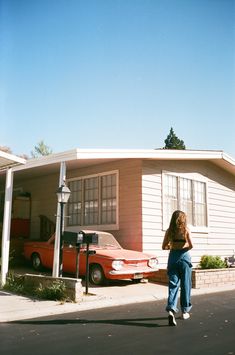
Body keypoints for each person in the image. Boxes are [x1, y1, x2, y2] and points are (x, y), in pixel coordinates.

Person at [162, 210, 193, 326]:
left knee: (173, 285)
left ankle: (171, 309)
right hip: (184, 258)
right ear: (182, 219)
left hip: (173, 259)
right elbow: (191, 245)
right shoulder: (185, 231)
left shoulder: (169, 232)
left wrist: (171, 246)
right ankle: (185, 311)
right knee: (186, 285)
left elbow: (163, 247)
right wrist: (183, 246)